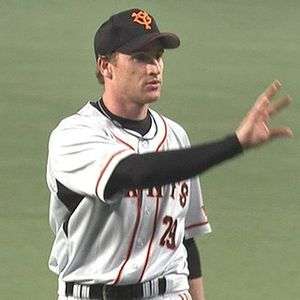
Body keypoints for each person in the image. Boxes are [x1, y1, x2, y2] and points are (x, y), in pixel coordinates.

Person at [46, 8, 292, 300]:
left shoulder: (175, 135)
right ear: (105, 66)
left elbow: (184, 238)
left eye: (158, 56)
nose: (154, 68)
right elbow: (133, 173)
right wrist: (234, 144)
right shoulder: (74, 135)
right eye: (140, 57)